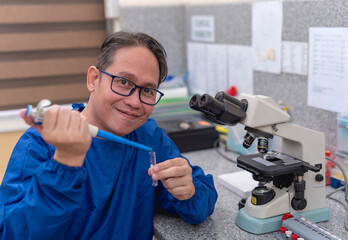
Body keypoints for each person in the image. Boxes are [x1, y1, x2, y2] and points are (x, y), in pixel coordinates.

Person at [0, 31, 218, 239]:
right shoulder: (42, 143)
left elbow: (201, 201)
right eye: (123, 82)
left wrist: (189, 192)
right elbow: (13, 233)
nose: (134, 102)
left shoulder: (149, 137)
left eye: (148, 90)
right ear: (94, 79)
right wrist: (65, 163)